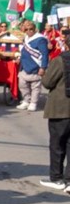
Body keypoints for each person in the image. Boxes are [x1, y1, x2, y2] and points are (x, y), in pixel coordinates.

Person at [39, 27, 70, 191]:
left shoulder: (60, 60)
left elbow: (48, 82)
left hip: (61, 108)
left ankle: (57, 178)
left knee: (57, 144)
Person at [18, 19, 49, 112]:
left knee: (35, 87)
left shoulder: (40, 39)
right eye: (26, 29)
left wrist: (43, 67)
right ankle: (26, 100)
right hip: (24, 66)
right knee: (22, 85)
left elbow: (44, 54)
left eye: (31, 29)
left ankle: (33, 103)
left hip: (35, 66)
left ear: (35, 29)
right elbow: (23, 50)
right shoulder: (26, 38)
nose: (29, 31)